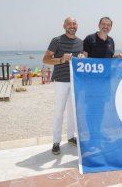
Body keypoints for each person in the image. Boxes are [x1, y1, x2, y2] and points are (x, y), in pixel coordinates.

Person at [43, 16, 83, 155]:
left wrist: (83, 59)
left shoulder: (80, 42)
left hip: (75, 81)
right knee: (59, 111)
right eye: (69, 24)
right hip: (61, 80)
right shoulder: (57, 40)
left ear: (77, 26)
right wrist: (61, 59)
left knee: (73, 111)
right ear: (64, 26)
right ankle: (56, 141)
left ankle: (71, 137)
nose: (72, 26)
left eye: (74, 23)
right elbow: (46, 59)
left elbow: (83, 60)